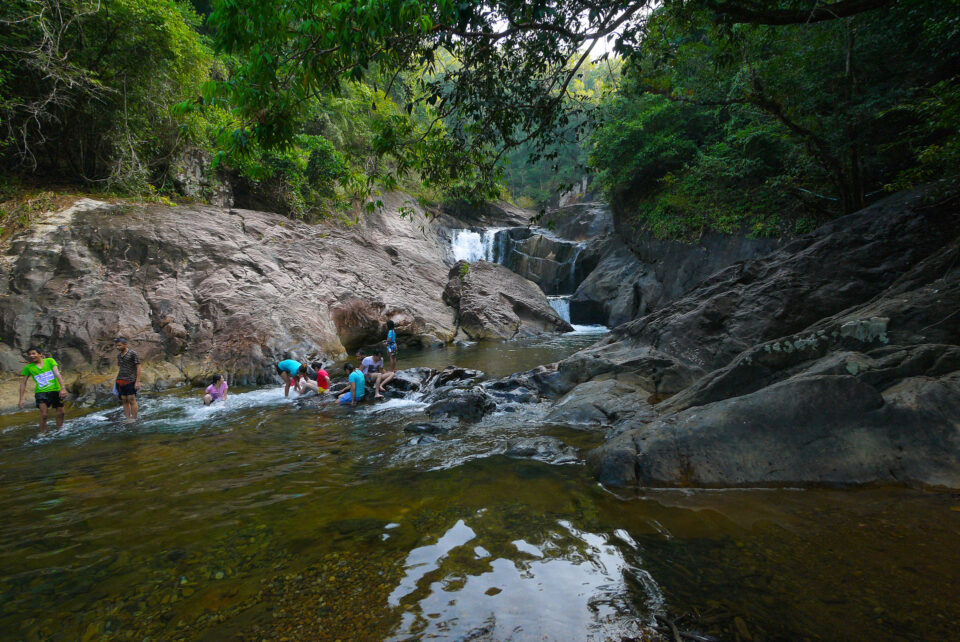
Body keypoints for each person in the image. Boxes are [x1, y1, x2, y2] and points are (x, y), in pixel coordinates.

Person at [18, 346, 68, 431]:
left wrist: (63, 388)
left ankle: (60, 430)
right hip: (41, 393)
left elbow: (57, 374)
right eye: (29, 354)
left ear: (40, 354)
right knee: (44, 414)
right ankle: (42, 434)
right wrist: (21, 399)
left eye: (33, 353)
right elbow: (23, 383)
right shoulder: (28, 368)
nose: (31, 356)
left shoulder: (50, 361)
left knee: (61, 412)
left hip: (55, 390)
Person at [115, 337, 141, 422]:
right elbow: (121, 367)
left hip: (131, 380)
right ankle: (127, 419)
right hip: (120, 380)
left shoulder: (133, 353)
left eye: (119, 345)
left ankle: (134, 419)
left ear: (125, 344)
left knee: (131, 399)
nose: (117, 347)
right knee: (124, 399)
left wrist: (137, 381)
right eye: (116, 346)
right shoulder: (119, 356)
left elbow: (138, 367)